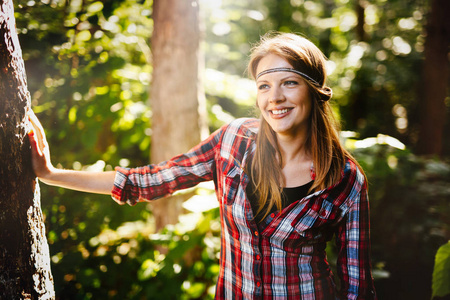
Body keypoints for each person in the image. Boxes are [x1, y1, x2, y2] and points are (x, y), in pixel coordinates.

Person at [28, 32, 377, 299]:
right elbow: (147, 182)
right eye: (264, 86)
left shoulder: (345, 180)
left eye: (289, 82)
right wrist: (50, 174)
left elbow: (357, 286)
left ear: (314, 90)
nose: (275, 98)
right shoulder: (232, 143)